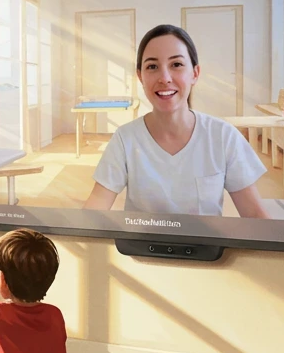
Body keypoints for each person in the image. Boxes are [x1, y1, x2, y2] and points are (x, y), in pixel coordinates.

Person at [83, 24, 270, 218]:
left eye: (176, 65)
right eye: (152, 67)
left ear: (195, 74)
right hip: (142, 248)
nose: (164, 78)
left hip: (206, 247)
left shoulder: (223, 136)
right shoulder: (125, 139)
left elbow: (255, 215)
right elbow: (95, 207)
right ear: (140, 76)